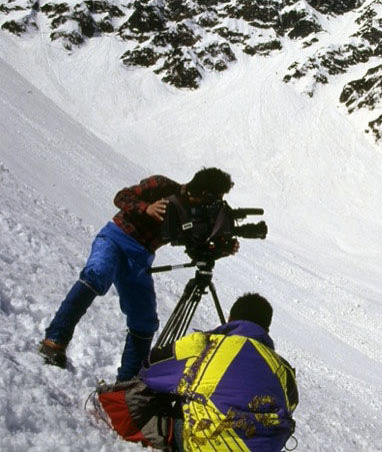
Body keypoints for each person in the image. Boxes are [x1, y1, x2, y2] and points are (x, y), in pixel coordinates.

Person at [39, 168, 235, 381]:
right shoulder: (162, 185)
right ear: (204, 193)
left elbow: (195, 250)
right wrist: (146, 208)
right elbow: (122, 196)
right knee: (97, 275)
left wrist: (222, 248)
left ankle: (128, 381)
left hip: (141, 259)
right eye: (215, 197)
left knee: (145, 320)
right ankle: (54, 341)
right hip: (115, 239)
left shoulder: (193, 213)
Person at [140, 293, 298, 452]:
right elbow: (290, 406)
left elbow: (150, 371)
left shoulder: (205, 344)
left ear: (230, 319)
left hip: (205, 444)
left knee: (182, 399)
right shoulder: (284, 370)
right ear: (266, 329)